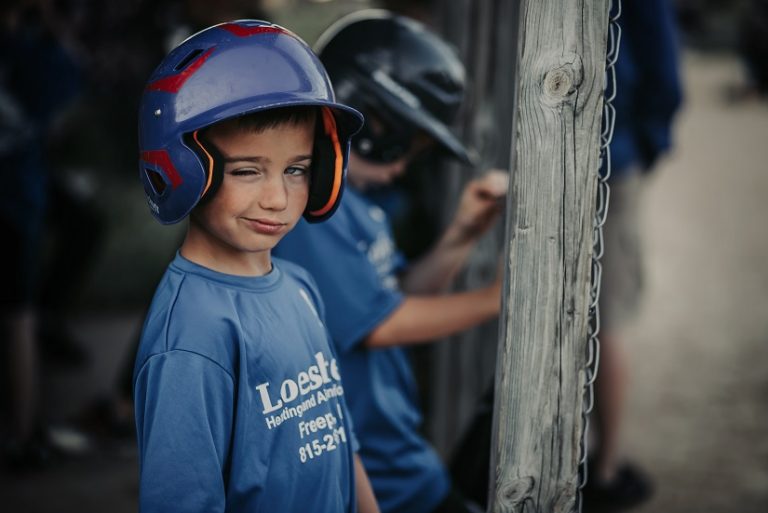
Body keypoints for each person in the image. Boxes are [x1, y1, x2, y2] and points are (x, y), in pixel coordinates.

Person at [131, 20, 379, 513]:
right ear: (181, 168)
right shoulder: (192, 338)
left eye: (297, 170)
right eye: (247, 170)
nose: (278, 199)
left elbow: (336, 440)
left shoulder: (299, 286)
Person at [273, 11, 507, 513]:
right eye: (407, 142)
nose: (404, 165)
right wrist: (497, 300)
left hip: (397, 459)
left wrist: (461, 237)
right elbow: (381, 325)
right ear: (363, 111)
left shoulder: (359, 205)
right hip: (367, 475)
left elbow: (396, 298)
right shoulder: (314, 211)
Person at [584, 0, 683, 510]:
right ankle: (604, 468)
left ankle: (598, 460)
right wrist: (644, 146)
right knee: (610, 315)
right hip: (609, 151)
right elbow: (665, 74)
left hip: (594, 148)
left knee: (600, 312)